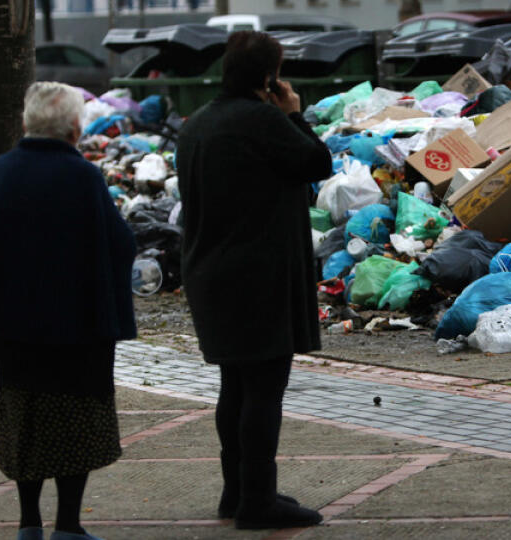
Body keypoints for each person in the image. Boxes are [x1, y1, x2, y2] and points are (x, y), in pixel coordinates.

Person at [0, 82, 137, 540]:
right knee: (74, 426)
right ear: (76, 128)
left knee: (25, 423)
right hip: (76, 332)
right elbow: (120, 243)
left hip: (13, 330)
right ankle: (69, 526)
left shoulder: (0, 172)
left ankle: (29, 524)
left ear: (27, 122)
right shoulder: (82, 177)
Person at [176, 32, 331, 530]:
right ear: (268, 77)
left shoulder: (196, 124)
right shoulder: (261, 120)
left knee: (235, 386)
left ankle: (236, 490)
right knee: (264, 388)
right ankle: (258, 500)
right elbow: (317, 162)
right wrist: (292, 111)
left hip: (209, 272)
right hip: (258, 276)